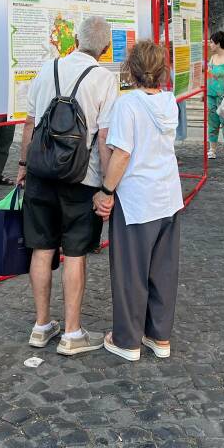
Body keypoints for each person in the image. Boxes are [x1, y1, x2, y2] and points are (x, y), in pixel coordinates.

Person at [15, 15, 119, 355]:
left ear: (74, 38)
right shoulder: (104, 78)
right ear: (104, 49)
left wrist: (22, 164)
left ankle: (41, 325)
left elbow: (30, 123)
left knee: (41, 249)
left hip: (40, 173)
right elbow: (104, 138)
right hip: (81, 179)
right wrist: (107, 187)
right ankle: (72, 333)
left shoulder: (48, 69)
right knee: (75, 254)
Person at [93, 40, 183, 362]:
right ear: (162, 70)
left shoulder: (127, 105)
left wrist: (105, 191)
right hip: (168, 196)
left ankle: (127, 339)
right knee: (163, 270)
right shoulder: (170, 103)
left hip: (137, 201)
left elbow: (122, 154)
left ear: (130, 69)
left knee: (131, 272)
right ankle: (159, 336)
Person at [206, 31, 224, 161]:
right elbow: (209, 75)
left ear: (218, 43)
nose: (210, 44)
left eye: (211, 42)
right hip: (211, 94)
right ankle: (212, 149)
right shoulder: (212, 58)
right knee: (212, 122)